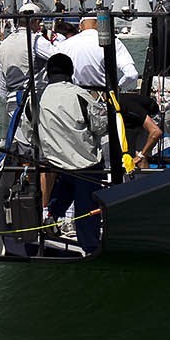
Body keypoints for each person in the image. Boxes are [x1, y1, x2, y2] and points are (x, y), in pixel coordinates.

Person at [24, 54, 107, 238]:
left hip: (56, 163)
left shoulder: (35, 99)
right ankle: (90, 245)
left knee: (64, 187)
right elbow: (100, 127)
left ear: (47, 74)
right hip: (86, 165)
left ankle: (51, 217)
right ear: (71, 72)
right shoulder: (80, 95)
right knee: (86, 213)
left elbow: (29, 132)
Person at [0, 5, 52, 140]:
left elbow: (1, 82)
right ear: (35, 21)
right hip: (35, 100)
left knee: (23, 143)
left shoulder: (4, 43)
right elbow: (60, 58)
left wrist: (7, 98)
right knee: (39, 142)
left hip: (12, 102)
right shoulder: (36, 41)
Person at [61, 16, 140, 92]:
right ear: (99, 24)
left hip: (76, 98)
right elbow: (131, 74)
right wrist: (118, 87)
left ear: (80, 26)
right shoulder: (113, 42)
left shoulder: (65, 44)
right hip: (103, 99)